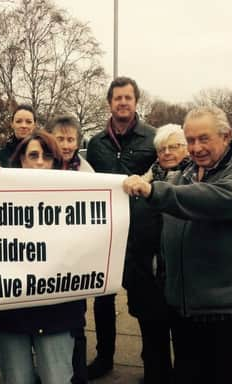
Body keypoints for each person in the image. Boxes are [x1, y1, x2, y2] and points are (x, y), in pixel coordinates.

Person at [122, 106, 232, 384]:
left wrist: (155, 191)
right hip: (186, 314)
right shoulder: (184, 176)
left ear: (226, 136)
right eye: (190, 140)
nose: (196, 147)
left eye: (204, 139)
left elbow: (216, 199)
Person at [0, 130, 86, 384]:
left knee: (57, 378)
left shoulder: (75, 198)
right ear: (21, 160)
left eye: (47, 156)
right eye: (33, 155)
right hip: (10, 312)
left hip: (58, 313)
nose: (40, 162)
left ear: (56, 163)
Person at [85, 76, 157, 380]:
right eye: (118, 98)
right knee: (102, 301)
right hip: (107, 234)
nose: (123, 103)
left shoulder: (152, 138)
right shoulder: (96, 143)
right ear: (109, 103)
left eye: (128, 97)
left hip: (141, 234)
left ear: (136, 101)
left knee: (146, 303)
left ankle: (153, 365)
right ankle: (104, 358)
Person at [128, 123, 190, 384]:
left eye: (173, 146)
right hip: (148, 277)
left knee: (187, 345)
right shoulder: (142, 181)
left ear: (186, 148)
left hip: (184, 280)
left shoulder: (195, 179)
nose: (167, 152)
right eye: (161, 148)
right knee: (153, 344)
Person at [46, 114, 91, 384]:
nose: (65, 144)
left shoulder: (87, 173)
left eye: (70, 138)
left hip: (73, 261)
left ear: (78, 141)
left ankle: (78, 374)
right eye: (60, 138)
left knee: (76, 320)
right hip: (43, 259)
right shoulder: (38, 164)